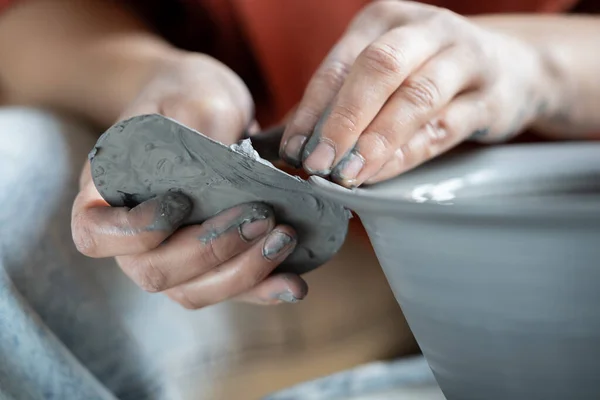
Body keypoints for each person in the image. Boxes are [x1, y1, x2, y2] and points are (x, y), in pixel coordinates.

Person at [0, 0, 598, 398]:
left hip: (545, 237)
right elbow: (29, 19)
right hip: (299, 231)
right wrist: (154, 81)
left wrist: (539, 64)